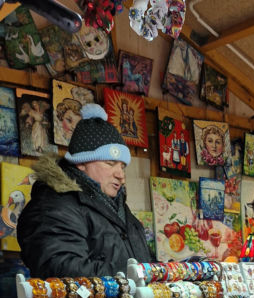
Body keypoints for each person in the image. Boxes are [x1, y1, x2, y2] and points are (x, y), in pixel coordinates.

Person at [17, 103, 153, 278]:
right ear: (81, 162)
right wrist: (134, 278)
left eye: (122, 166)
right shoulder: (54, 206)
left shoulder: (118, 209)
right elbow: (61, 267)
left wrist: (172, 272)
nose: (121, 175)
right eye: (110, 163)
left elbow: (145, 263)